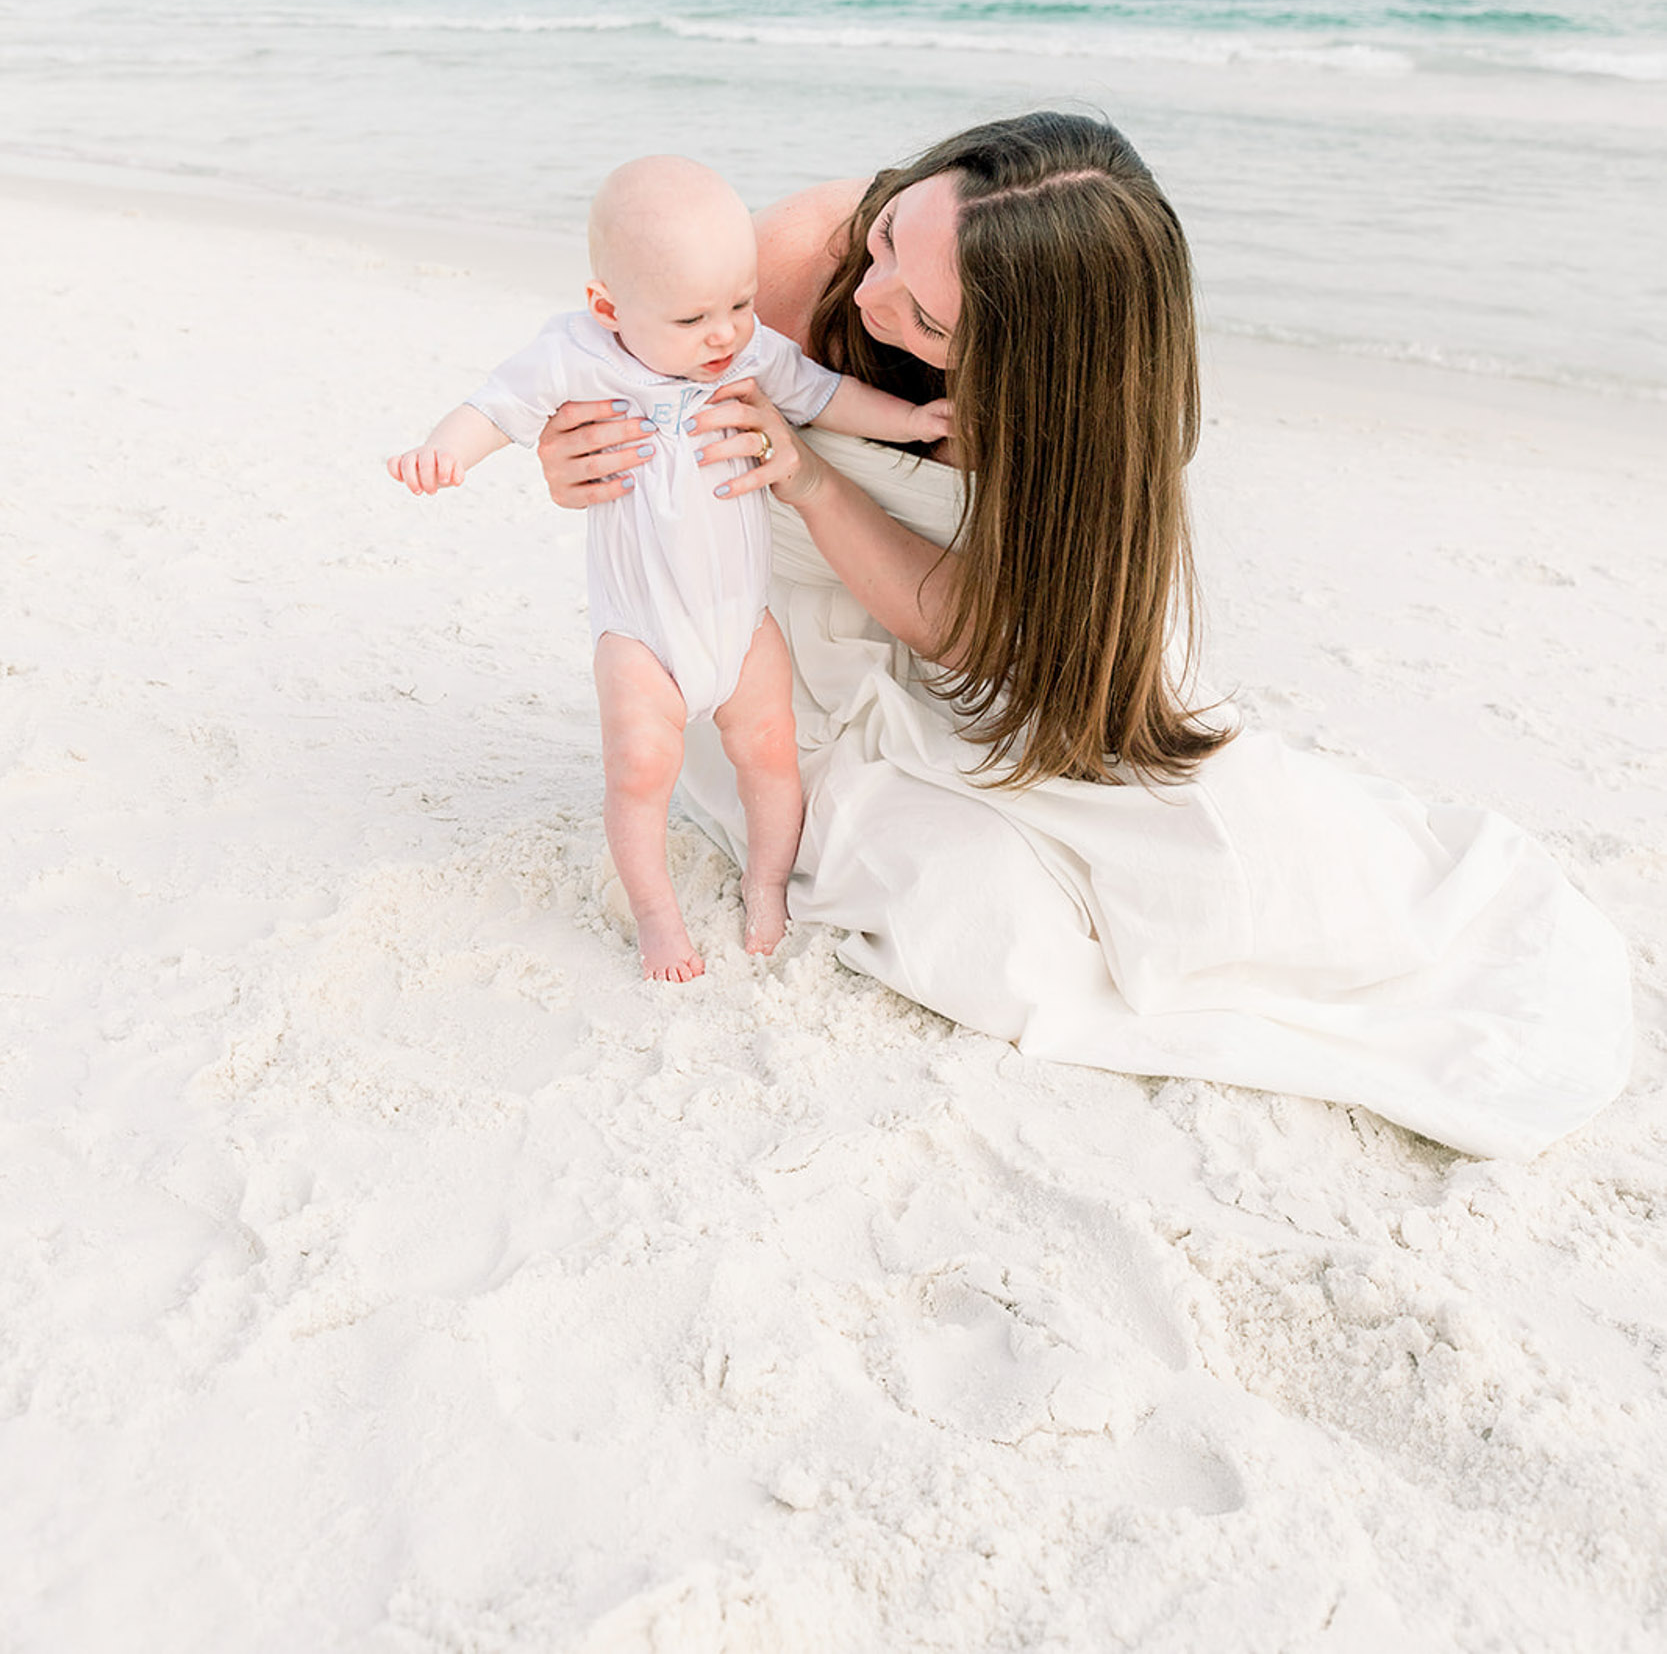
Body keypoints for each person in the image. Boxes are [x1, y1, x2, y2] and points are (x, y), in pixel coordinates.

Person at [531, 115, 1633, 1161]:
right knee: (964, 910)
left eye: (923, 320)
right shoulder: (787, 260)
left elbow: (974, 631)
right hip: (797, 642)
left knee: (1216, 881)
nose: (869, 295)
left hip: (1004, 637)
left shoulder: (1088, 425)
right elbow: (634, 393)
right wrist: (569, 457)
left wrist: (816, 476)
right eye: (885, 244)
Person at [387, 155, 950, 981]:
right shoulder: (579, 355)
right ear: (609, 308)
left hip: (740, 620)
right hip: (643, 635)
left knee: (770, 750)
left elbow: (827, 396)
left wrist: (908, 422)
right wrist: (445, 452)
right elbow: (495, 407)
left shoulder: (749, 352)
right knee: (641, 769)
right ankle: (656, 917)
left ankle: (767, 884)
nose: (723, 333)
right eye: (692, 319)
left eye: (738, 303)